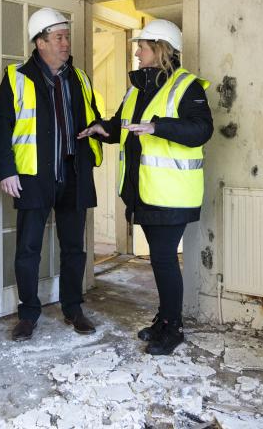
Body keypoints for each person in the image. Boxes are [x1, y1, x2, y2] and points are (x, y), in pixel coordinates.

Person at [78, 19, 213, 356]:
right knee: (159, 259)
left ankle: (174, 327)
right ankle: (164, 320)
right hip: (143, 190)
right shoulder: (137, 88)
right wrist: (101, 129)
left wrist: (158, 127)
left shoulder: (187, 87)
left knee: (164, 258)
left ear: (161, 49)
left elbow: (201, 130)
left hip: (172, 192)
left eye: (143, 46)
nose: (137, 52)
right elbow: (125, 126)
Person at [0, 8, 102, 342]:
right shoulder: (17, 78)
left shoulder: (79, 79)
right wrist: (7, 170)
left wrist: (101, 130)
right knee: (28, 249)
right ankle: (28, 314)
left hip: (73, 174)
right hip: (33, 176)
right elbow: (0, 130)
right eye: (59, 38)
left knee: (74, 249)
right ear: (40, 43)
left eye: (66, 37)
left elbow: (93, 118)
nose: (66, 43)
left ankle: (73, 307)